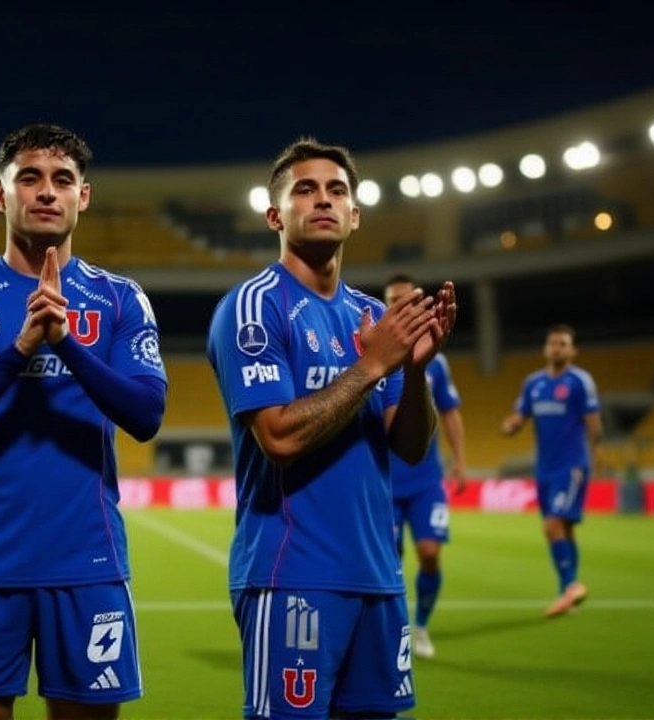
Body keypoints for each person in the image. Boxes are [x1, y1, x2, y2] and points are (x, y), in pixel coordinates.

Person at [0, 123, 167, 720]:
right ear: (0, 196)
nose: (47, 191)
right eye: (30, 178)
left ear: (84, 196)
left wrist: (68, 343)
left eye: (62, 180)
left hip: (88, 563)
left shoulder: (120, 298)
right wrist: (21, 348)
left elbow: (147, 414)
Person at [206, 138, 455, 719]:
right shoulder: (253, 308)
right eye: (305, 189)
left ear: (355, 214)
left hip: (378, 578)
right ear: (276, 215)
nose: (323, 200)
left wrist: (414, 372)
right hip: (291, 574)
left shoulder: (370, 315)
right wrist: (373, 365)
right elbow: (280, 439)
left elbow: (411, 448)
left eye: (337, 190)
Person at [383, 274, 468, 660]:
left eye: (407, 298)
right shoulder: (375, 352)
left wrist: (461, 461)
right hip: (385, 481)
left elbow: (450, 413)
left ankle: (421, 627)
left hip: (426, 480)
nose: (399, 304)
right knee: (390, 562)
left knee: (431, 553)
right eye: (392, 300)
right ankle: (394, 629)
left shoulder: (438, 359)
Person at [500, 324, 601, 618]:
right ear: (546, 348)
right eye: (553, 343)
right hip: (544, 468)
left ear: (572, 350)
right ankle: (566, 592)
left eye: (563, 344)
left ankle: (571, 586)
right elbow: (520, 416)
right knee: (564, 529)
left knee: (552, 526)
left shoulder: (579, 381)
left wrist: (596, 452)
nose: (556, 348)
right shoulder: (533, 383)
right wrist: (511, 425)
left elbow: (593, 420)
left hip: (571, 466)